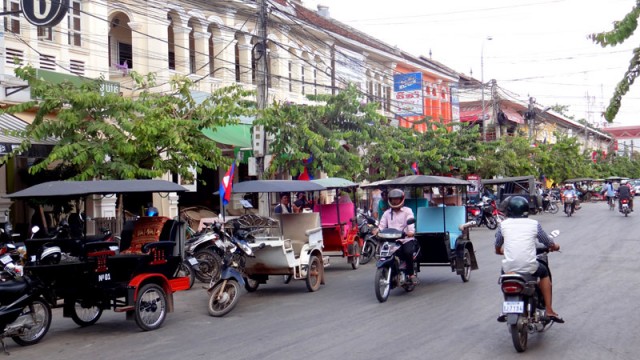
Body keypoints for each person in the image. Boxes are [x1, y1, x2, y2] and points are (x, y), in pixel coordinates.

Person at [495, 196, 563, 323]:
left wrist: (500, 251)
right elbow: (547, 242)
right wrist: (555, 246)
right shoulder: (534, 224)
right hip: (530, 266)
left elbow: (498, 246)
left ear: (509, 211)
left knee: (504, 276)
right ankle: (549, 309)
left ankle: (506, 307)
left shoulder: (503, 226)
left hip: (509, 268)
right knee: (544, 272)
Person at [379, 188, 417, 283]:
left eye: (397, 199)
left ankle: (411, 274)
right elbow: (382, 226)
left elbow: (411, 223)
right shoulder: (387, 213)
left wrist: (410, 232)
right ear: (390, 200)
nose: (395, 201)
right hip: (392, 241)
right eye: (393, 199)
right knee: (384, 253)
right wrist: (377, 230)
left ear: (401, 199)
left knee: (408, 252)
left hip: (405, 239)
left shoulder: (407, 211)